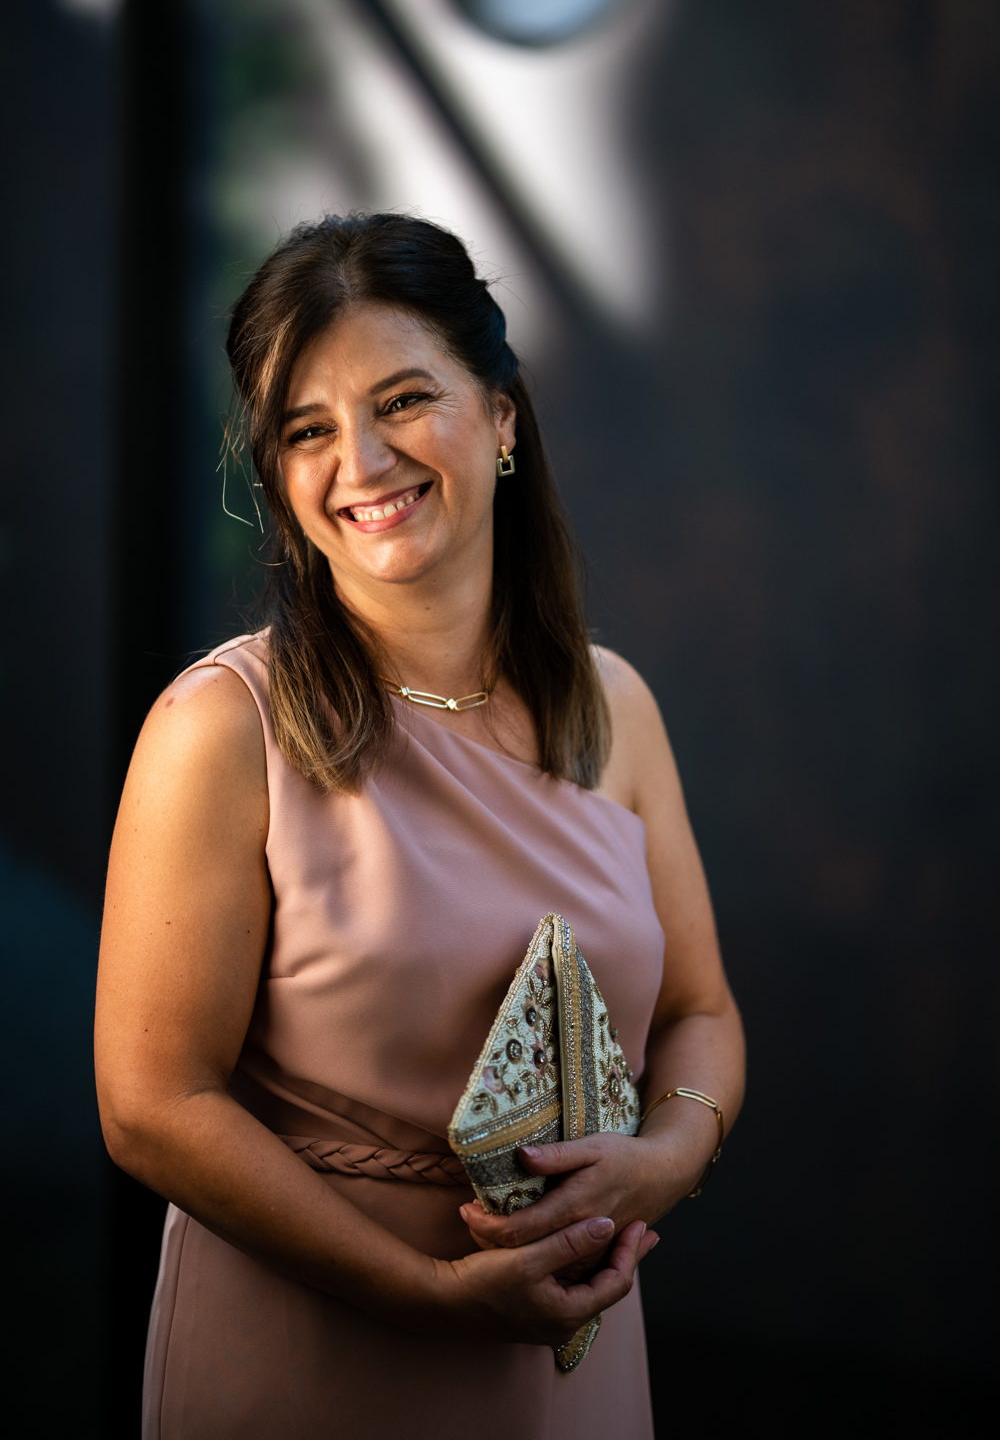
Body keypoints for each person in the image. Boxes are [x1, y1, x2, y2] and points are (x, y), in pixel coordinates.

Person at [95, 213, 745, 1440]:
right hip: (310, 1348)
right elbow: (150, 1105)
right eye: (307, 429)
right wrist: (428, 1294)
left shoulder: (614, 706)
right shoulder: (219, 726)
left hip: (573, 1344)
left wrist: (664, 1159)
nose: (361, 460)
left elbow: (701, 1013)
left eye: (402, 400)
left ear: (502, 417)